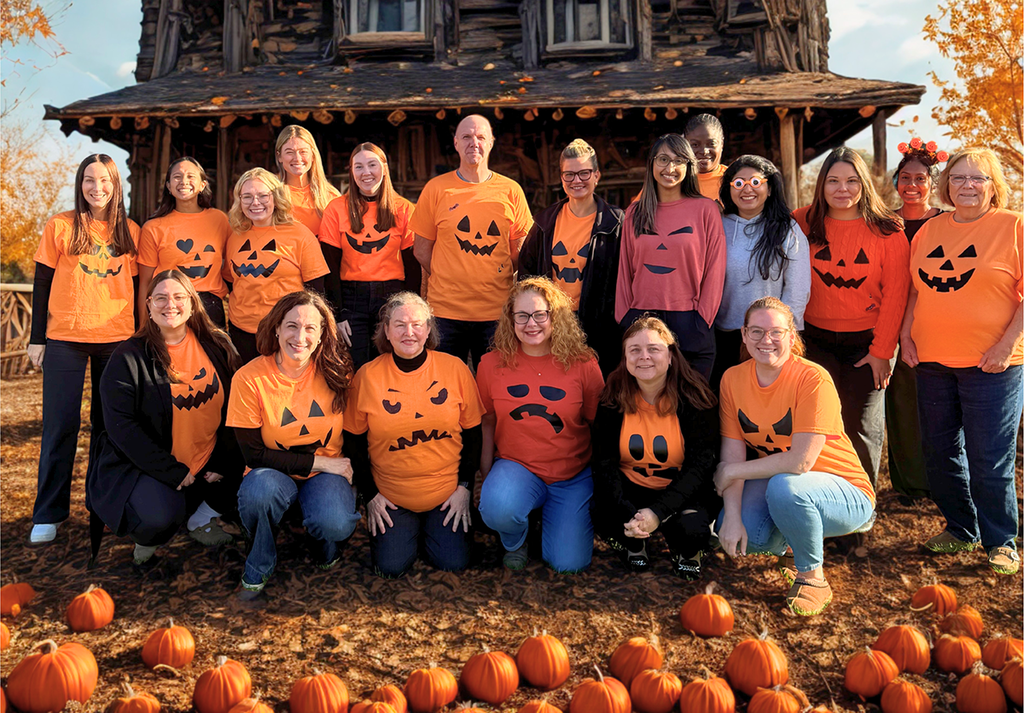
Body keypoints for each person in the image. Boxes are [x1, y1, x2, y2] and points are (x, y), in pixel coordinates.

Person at [900, 147, 1023, 576]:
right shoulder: (929, 231)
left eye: (978, 178)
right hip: (932, 360)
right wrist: (905, 336)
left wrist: (1006, 346)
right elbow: (916, 290)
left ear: (994, 186)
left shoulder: (1013, 227)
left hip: (994, 365)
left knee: (989, 458)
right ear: (946, 185)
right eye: (958, 178)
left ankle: (1001, 540)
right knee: (939, 453)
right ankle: (960, 528)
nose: (967, 186)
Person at [716, 297, 875, 616]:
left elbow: (799, 462)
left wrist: (732, 472)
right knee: (746, 531)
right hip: (784, 485)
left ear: (792, 336)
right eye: (757, 332)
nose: (766, 340)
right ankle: (792, 543)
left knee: (786, 487)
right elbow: (732, 452)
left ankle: (812, 577)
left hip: (845, 493)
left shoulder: (813, 379)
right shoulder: (732, 380)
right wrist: (732, 515)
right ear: (744, 335)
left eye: (776, 332)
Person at [90, 270, 243, 566]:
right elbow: (122, 429)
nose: (169, 304)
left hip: (204, 460)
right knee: (159, 517)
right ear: (148, 305)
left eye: (178, 297)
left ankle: (201, 518)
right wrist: (171, 470)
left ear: (192, 303)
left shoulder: (216, 345)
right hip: (149, 465)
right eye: (160, 297)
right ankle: (148, 536)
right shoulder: (128, 358)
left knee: (257, 474)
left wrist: (223, 460)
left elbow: (235, 408)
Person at [27, 154, 140, 545]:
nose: (97, 188)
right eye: (90, 180)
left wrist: (141, 338)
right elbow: (41, 283)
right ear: (80, 184)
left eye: (105, 181)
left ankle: (102, 505)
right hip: (65, 338)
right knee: (60, 425)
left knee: (108, 428)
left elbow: (140, 290)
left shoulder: (131, 231)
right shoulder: (60, 225)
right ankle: (48, 512)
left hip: (117, 338)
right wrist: (36, 337)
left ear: (115, 185)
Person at [228, 290, 360, 599]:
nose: (299, 336)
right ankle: (259, 560)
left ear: (322, 334)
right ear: (276, 328)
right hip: (271, 472)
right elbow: (254, 453)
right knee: (258, 493)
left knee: (337, 523)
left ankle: (321, 540)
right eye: (291, 325)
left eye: (310, 328)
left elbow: (355, 431)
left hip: (325, 476)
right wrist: (323, 463)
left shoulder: (337, 373)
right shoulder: (250, 379)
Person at [792, 147, 909, 488]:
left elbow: (896, 295)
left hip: (867, 344)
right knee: (817, 426)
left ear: (864, 184)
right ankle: (822, 504)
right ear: (821, 184)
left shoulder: (888, 230)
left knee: (862, 428)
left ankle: (861, 511)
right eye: (833, 181)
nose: (842, 189)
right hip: (814, 341)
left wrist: (882, 352)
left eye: (851, 181)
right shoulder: (801, 221)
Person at [345, 292, 484, 578]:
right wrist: (371, 495)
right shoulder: (367, 377)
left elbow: (473, 435)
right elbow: (355, 442)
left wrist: (465, 488)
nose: (409, 332)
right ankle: (409, 532)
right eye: (399, 325)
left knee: (453, 562)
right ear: (386, 330)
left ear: (429, 329)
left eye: (417, 324)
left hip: (447, 493)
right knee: (390, 566)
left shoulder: (455, 369)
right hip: (392, 495)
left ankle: (431, 531)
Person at [476, 278, 604, 572]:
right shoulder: (490, 365)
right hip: (516, 466)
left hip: (570, 474)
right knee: (497, 508)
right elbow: (487, 423)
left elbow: (596, 424)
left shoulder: (583, 364)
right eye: (521, 316)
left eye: (539, 314)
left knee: (568, 564)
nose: (530, 323)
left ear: (554, 316)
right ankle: (515, 539)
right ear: (510, 319)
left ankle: (553, 519)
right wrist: (487, 477)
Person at [592, 316, 719, 579]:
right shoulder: (612, 398)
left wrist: (658, 512)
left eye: (653, 349)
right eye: (634, 350)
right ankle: (634, 543)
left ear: (671, 355)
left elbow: (700, 467)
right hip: (632, 489)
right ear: (625, 358)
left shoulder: (695, 399)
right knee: (601, 514)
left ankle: (687, 550)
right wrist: (629, 511)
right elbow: (604, 462)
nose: (644, 357)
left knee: (692, 529)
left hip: (681, 493)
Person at [410, 115, 533, 369]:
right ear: (455, 143)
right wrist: (451, 274)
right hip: (445, 313)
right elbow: (421, 250)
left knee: (494, 387)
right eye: (466, 137)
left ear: (491, 143)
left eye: (480, 137)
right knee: (443, 387)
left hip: (496, 313)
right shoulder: (436, 189)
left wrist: (487, 275)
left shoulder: (511, 191)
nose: (473, 143)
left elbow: (520, 251)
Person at [615, 134, 726, 380]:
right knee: (645, 404)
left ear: (689, 166)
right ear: (651, 164)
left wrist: (703, 318)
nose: (670, 168)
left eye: (679, 161)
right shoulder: (635, 211)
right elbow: (624, 268)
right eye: (663, 159)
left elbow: (715, 269)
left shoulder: (705, 209)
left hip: (691, 320)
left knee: (691, 406)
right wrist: (625, 316)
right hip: (640, 318)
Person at [518, 139, 624, 375]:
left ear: (597, 175)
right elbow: (526, 272)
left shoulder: (616, 223)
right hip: (554, 322)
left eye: (584, 173)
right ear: (561, 178)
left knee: (599, 387)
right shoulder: (545, 222)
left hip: (600, 325)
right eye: (569, 175)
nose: (577, 180)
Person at [711, 155, 810, 390]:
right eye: (738, 183)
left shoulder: (787, 229)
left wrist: (783, 334)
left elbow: (797, 288)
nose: (747, 189)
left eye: (755, 182)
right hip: (724, 335)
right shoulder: (717, 226)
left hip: (770, 337)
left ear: (770, 187)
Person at [319, 142, 419, 369]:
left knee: (392, 364)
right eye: (359, 167)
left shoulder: (404, 209)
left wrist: (410, 309)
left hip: (393, 296)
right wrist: (337, 313)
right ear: (351, 171)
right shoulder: (336, 209)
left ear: (384, 168)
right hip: (352, 299)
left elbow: (412, 266)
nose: (366, 173)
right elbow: (330, 266)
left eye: (372, 165)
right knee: (356, 366)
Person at [886, 140, 947, 503]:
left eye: (920, 178)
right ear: (896, 181)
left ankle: (943, 479)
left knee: (938, 406)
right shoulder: (884, 222)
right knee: (902, 404)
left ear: (932, 182)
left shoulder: (945, 222)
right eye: (905, 177)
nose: (912, 185)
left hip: (937, 323)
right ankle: (909, 482)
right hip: (892, 321)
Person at [224, 168, 330, 364]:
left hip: (285, 332)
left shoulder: (299, 234)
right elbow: (233, 281)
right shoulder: (235, 235)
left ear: (276, 197)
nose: (255, 202)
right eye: (247, 197)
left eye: (263, 195)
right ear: (239, 201)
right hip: (241, 332)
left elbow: (317, 290)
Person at [138, 157, 231, 327]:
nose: (183, 182)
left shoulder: (219, 220)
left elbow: (234, 262)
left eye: (190, 176)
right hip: (169, 305)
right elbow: (145, 282)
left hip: (209, 307)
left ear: (202, 184)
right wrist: (144, 328)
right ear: (168, 186)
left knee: (210, 354)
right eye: (177, 177)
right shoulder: (153, 227)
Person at [274, 125, 341, 237]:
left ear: (313, 155)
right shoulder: (269, 194)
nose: (297, 158)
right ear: (279, 156)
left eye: (303, 152)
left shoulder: (331, 196)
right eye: (289, 152)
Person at [684, 114, 727, 202]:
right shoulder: (676, 180)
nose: (704, 151)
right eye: (695, 145)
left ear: (722, 144)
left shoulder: (732, 179)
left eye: (711, 144)